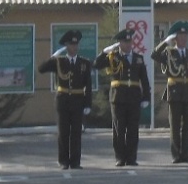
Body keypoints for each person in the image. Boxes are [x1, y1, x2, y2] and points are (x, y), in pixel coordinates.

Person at [94, 28, 151, 166]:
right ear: (119, 43)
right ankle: (120, 157)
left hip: (134, 97)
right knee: (119, 129)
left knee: (133, 129)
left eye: (129, 41)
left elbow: (144, 79)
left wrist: (146, 98)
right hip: (118, 97)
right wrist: (104, 52)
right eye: (124, 42)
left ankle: (131, 158)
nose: (128, 44)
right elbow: (96, 65)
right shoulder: (113, 57)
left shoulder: (138, 58)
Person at [38, 29, 93, 169]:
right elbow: (41, 69)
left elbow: (88, 85)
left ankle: (75, 162)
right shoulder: (59, 62)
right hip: (62, 100)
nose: (74, 47)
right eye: (71, 45)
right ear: (66, 46)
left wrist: (88, 104)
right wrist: (53, 56)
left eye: (76, 45)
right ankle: (63, 161)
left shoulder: (84, 63)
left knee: (76, 133)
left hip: (78, 100)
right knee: (63, 132)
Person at [151, 20, 188, 163]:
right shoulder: (169, 53)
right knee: (174, 126)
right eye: (180, 36)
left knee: (187, 126)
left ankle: (186, 155)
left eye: (186, 36)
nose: (184, 39)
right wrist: (165, 43)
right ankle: (176, 155)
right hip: (174, 92)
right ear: (175, 38)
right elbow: (154, 55)